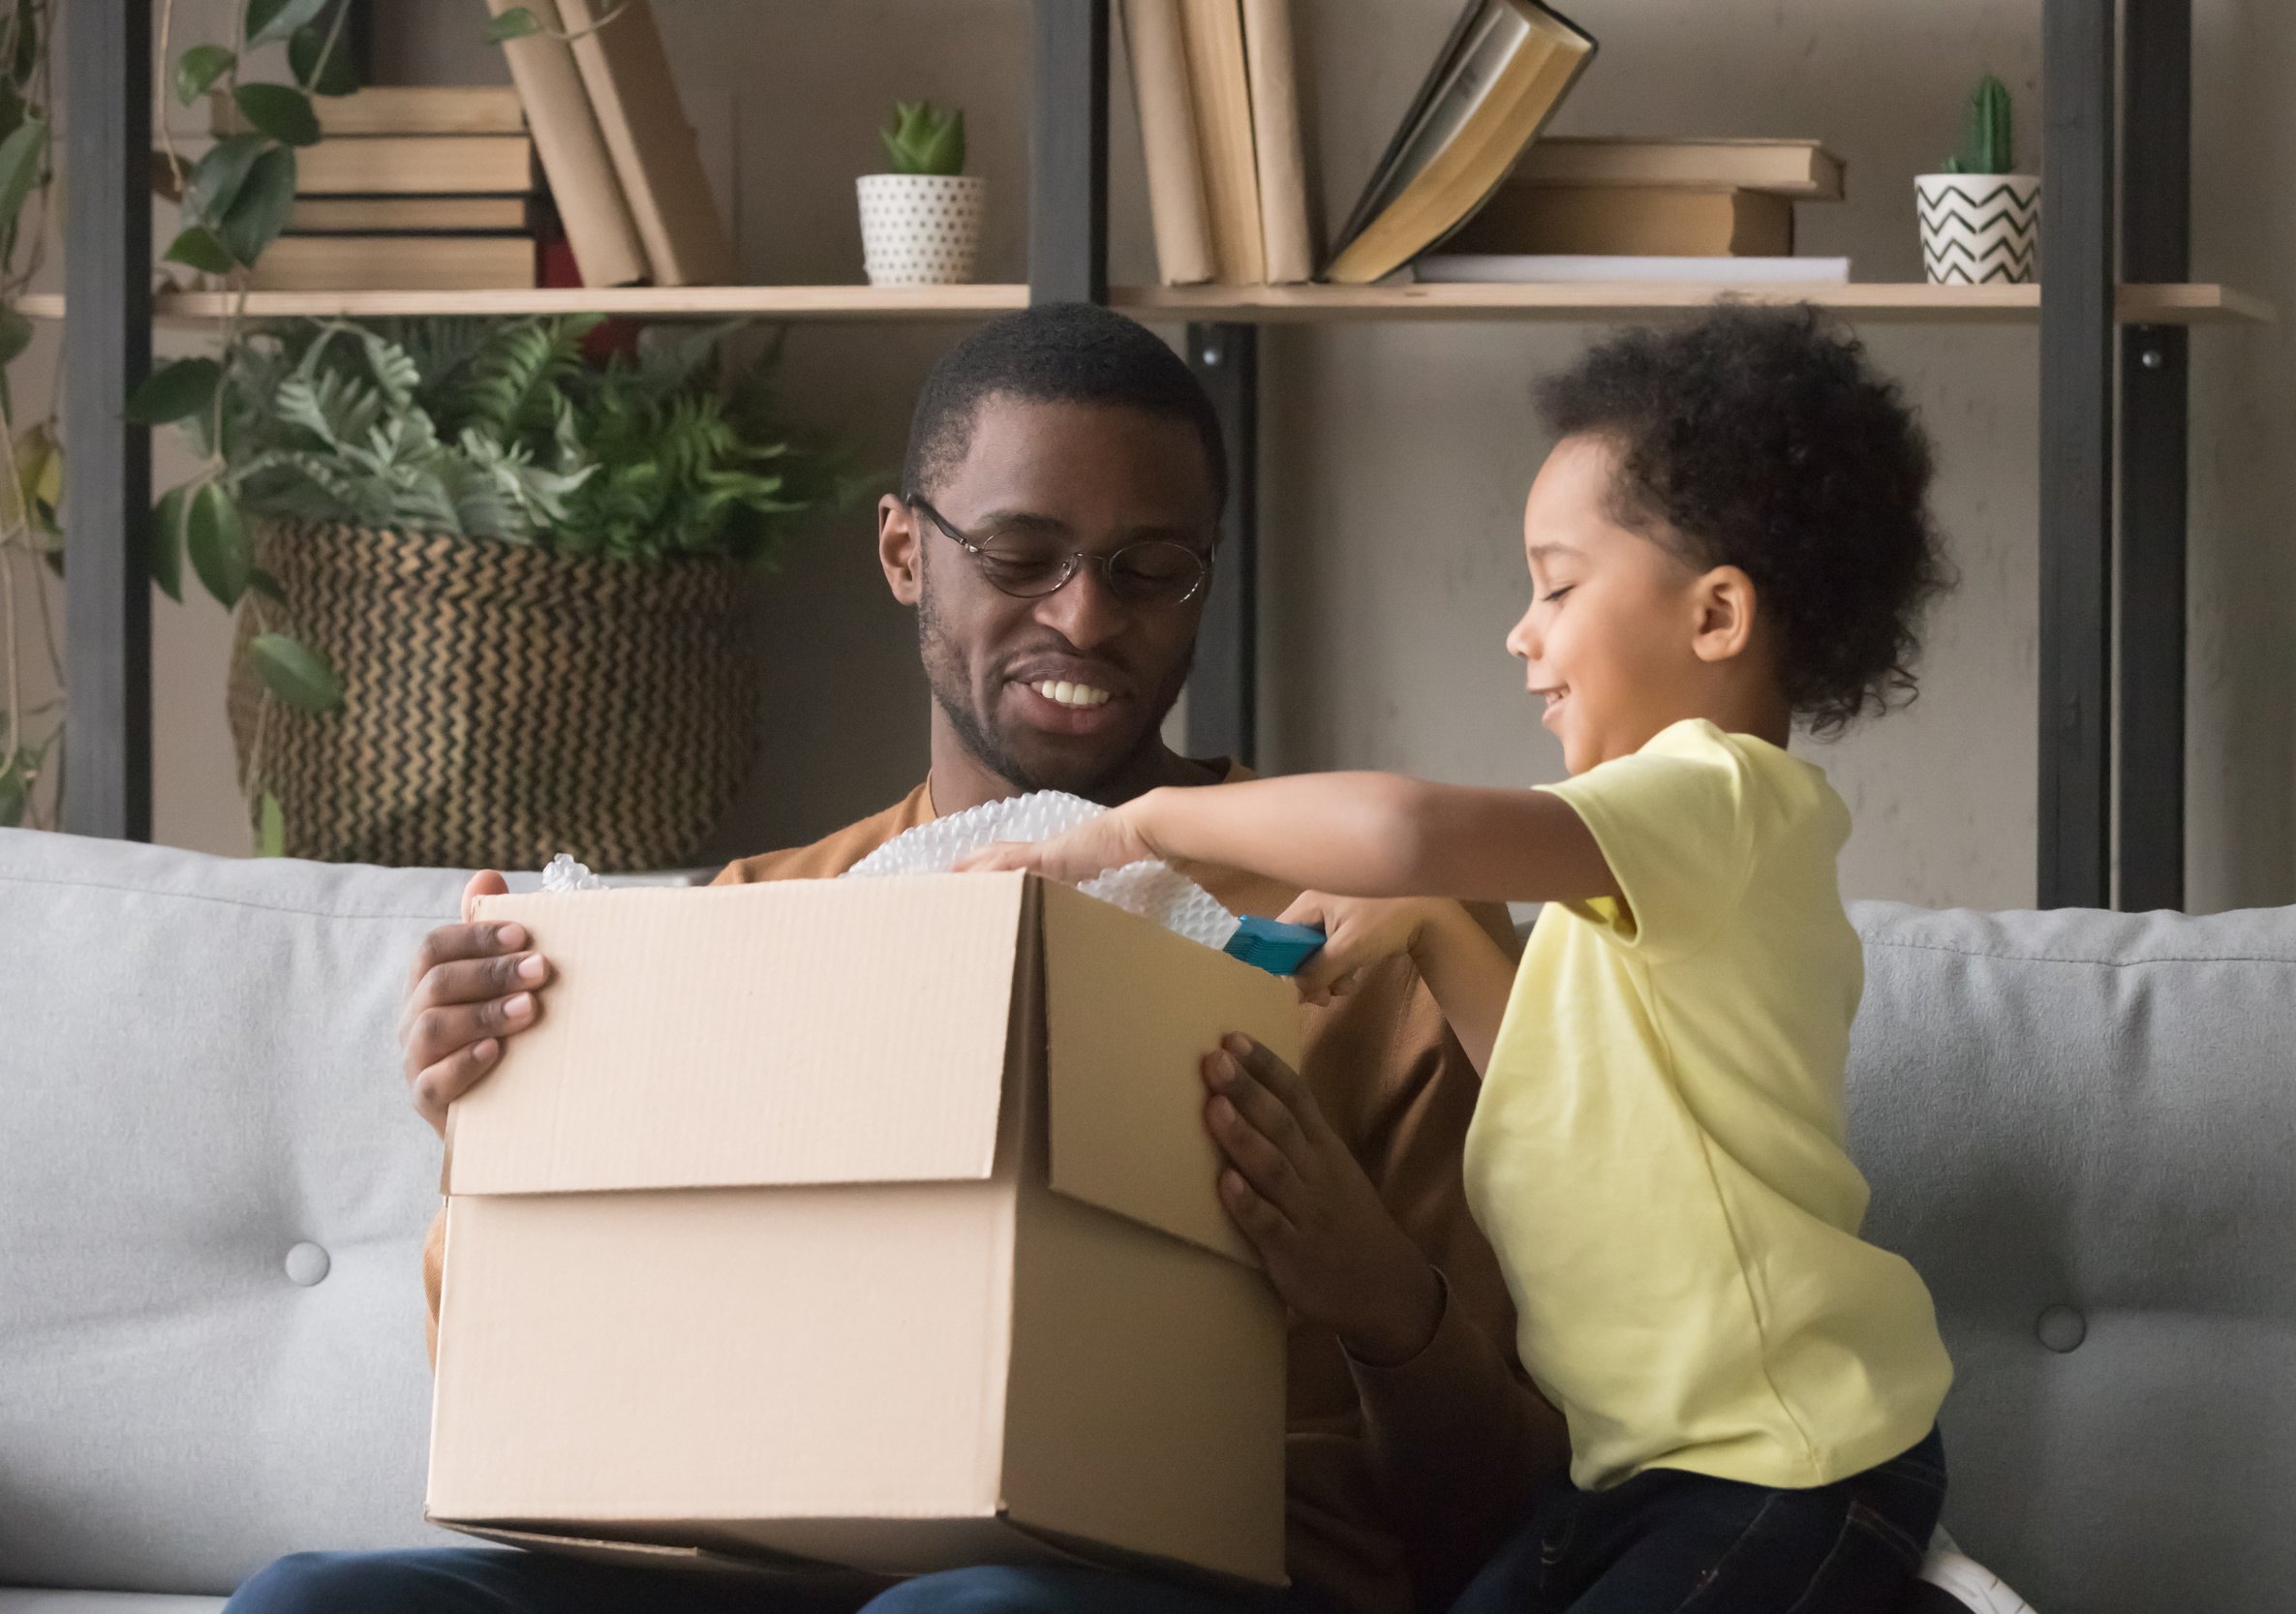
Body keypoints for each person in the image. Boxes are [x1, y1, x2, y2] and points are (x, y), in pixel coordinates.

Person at [225, 304, 1561, 1614]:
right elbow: (555, 1408)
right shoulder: (764, 916)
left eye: (1151, 570)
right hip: (786, 1562)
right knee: (313, 1601)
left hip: (1210, 1570)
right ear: (904, 552)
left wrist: (1377, 1291)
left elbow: (1503, 1506)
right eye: (1020, 554)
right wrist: (491, 1139)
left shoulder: (1372, 929)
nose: (1087, 622)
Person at [966, 305, 1960, 1614]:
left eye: (1556, 584)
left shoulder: (1718, 797)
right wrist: (1433, 929)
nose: (1521, 632)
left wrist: (1143, 824)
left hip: (1790, 1468)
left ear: (1718, 614)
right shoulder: (1656, 886)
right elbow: (1566, 1108)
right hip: (1631, 1477)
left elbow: (1403, 826)